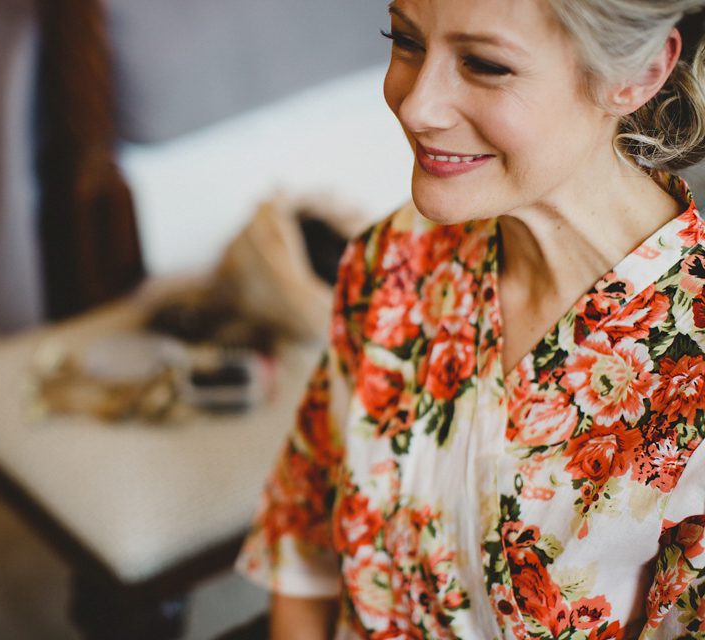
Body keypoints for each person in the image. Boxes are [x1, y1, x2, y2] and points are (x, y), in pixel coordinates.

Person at [235, 0, 705, 638]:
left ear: (640, 74)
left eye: (485, 64)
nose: (415, 106)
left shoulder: (691, 378)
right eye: (403, 40)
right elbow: (305, 538)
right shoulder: (392, 259)